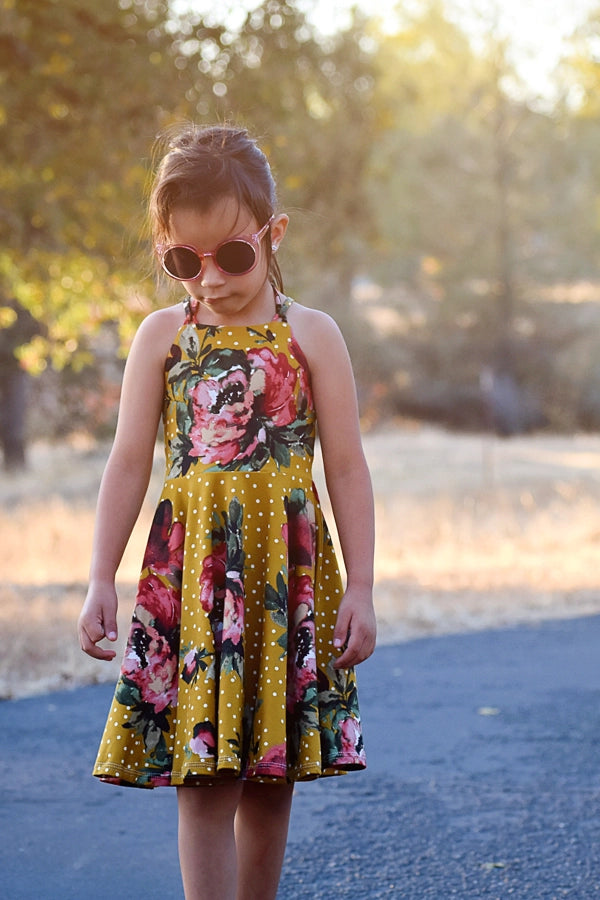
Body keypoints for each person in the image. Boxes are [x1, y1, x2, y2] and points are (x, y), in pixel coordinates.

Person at [78, 123, 376, 900]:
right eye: (183, 261)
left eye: (232, 256)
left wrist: (364, 589)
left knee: (271, 777)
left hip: (286, 577)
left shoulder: (312, 336)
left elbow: (344, 464)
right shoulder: (162, 339)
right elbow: (128, 462)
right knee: (202, 775)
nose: (208, 280)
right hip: (196, 584)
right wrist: (98, 578)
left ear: (272, 234)